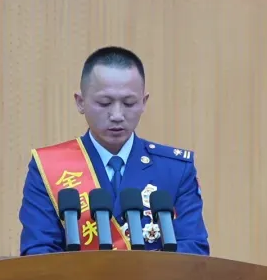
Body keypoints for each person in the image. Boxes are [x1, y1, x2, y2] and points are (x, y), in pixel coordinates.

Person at [18, 46, 210, 256]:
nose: (117, 115)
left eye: (129, 103)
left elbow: (193, 250)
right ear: (80, 102)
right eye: (105, 103)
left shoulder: (174, 169)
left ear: (143, 103)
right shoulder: (49, 167)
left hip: (156, 278)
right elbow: (39, 252)